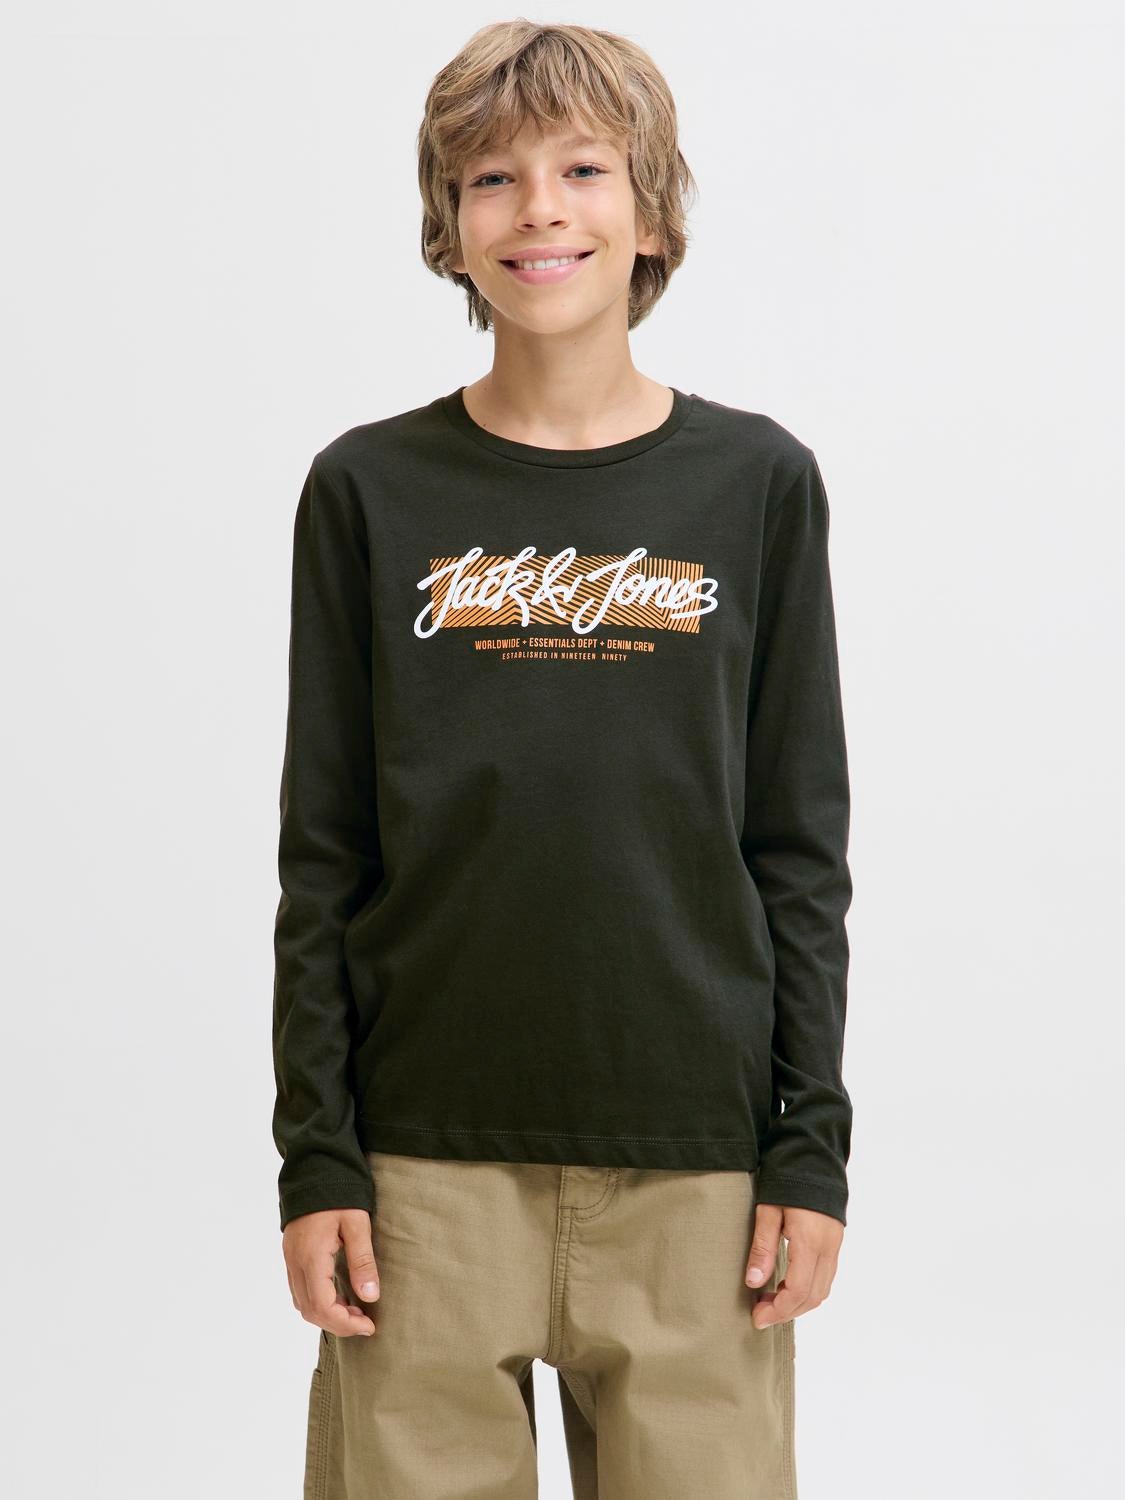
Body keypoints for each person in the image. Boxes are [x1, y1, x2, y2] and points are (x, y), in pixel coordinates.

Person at [272, 18, 853, 1499]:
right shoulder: (368, 491)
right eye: (492, 178)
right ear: (448, 225)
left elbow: (796, 848)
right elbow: (324, 854)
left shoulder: (757, 486)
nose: (540, 208)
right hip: (421, 1172)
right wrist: (317, 1156)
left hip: (695, 1165)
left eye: (584, 169)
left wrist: (807, 1150)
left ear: (650, 213)